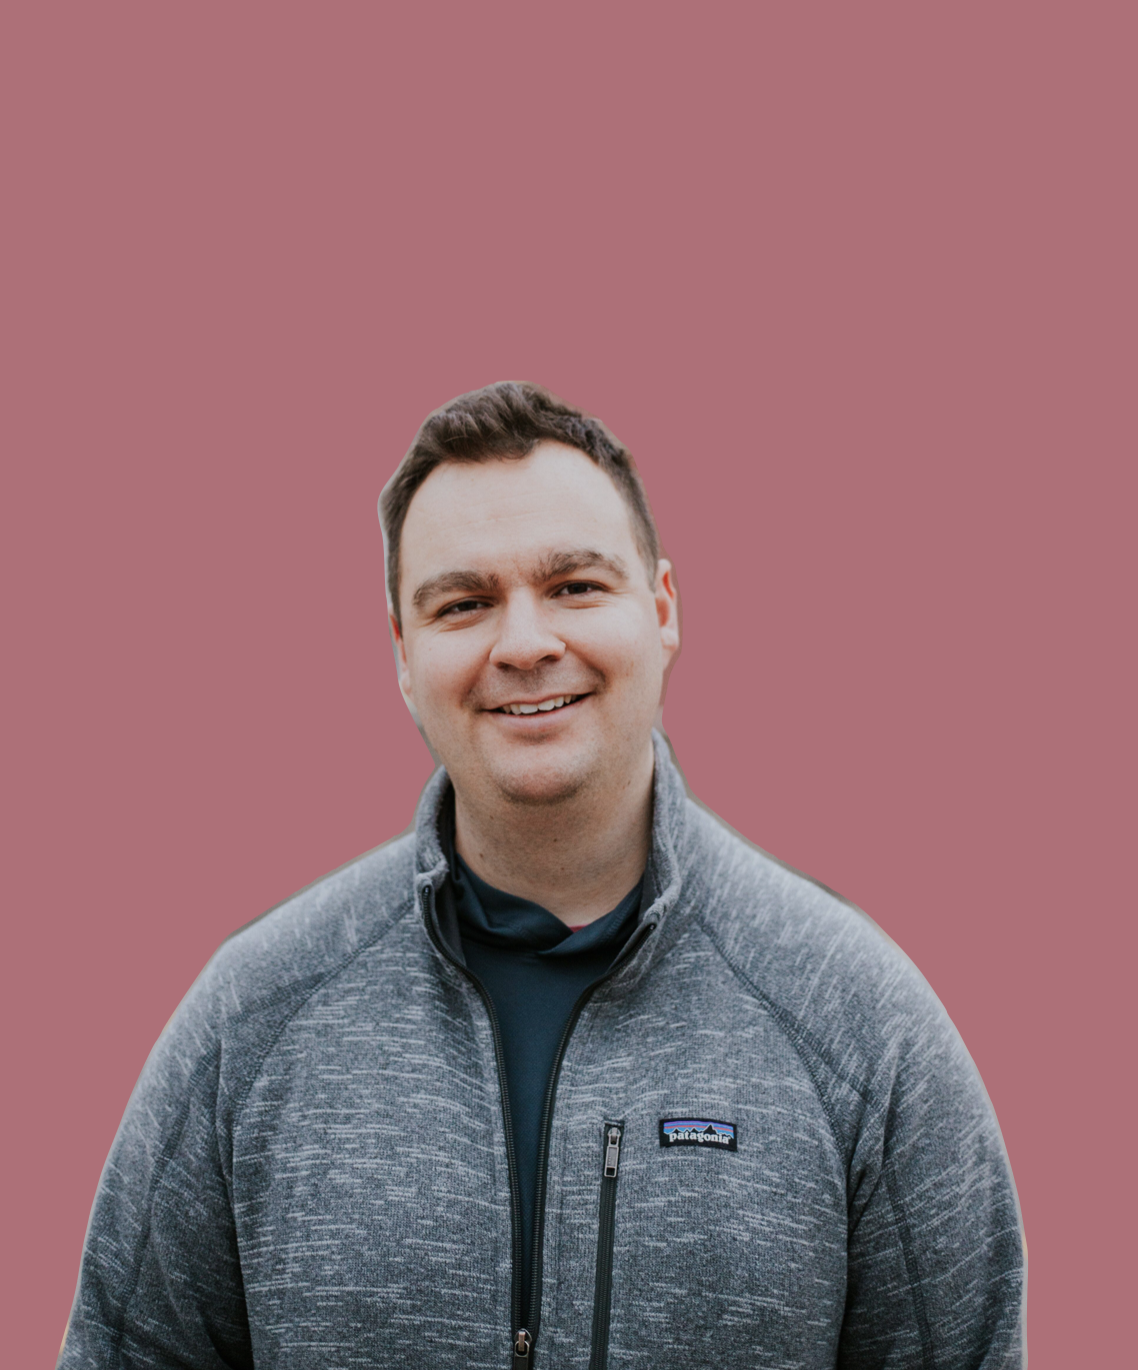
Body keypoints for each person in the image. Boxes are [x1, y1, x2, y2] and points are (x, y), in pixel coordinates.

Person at [60, 382, 1025, 1368]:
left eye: (573, 586)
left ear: (661, 610)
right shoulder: (250, 1019)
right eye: (464, 602)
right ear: (402, 651)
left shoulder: (862, 1024)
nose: (524, 643)